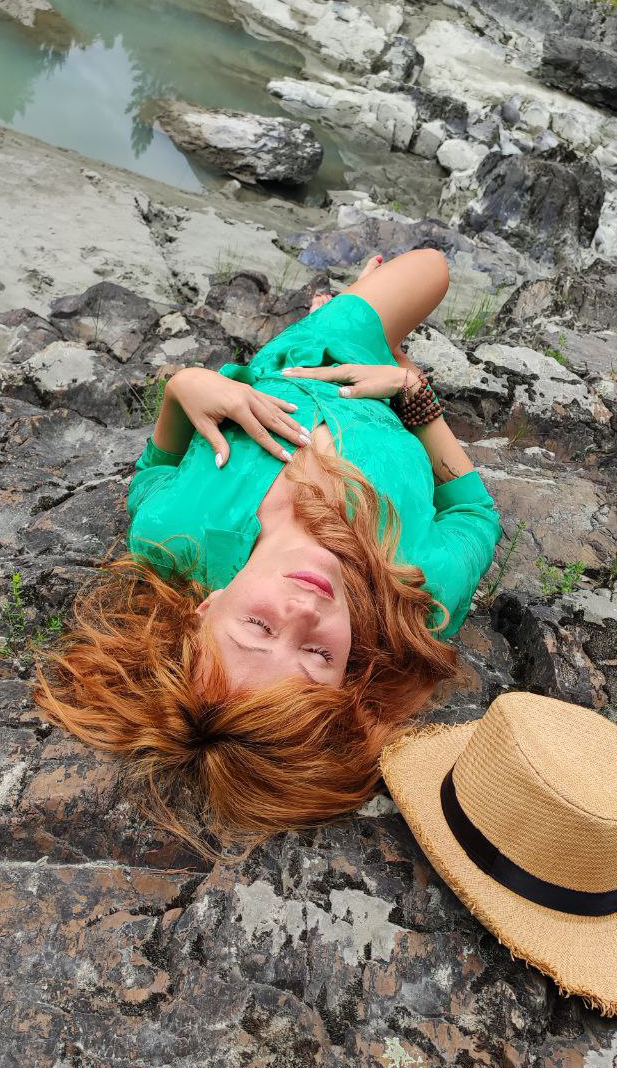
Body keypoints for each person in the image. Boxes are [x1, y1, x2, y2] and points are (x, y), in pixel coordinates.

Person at [35, 248, 502, 857]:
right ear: (346, 679)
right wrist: (414, 394)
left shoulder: (173, 534)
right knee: (433, 267)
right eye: (316, 654)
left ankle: (345, 311)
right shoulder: (417, 593)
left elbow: (154, 471)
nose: (304, 612)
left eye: (258, 627)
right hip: (383, 394)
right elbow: (475, 515)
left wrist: (187, 388)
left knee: (426, 270)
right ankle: (372, 322)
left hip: (290, 360)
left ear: (208, 608)